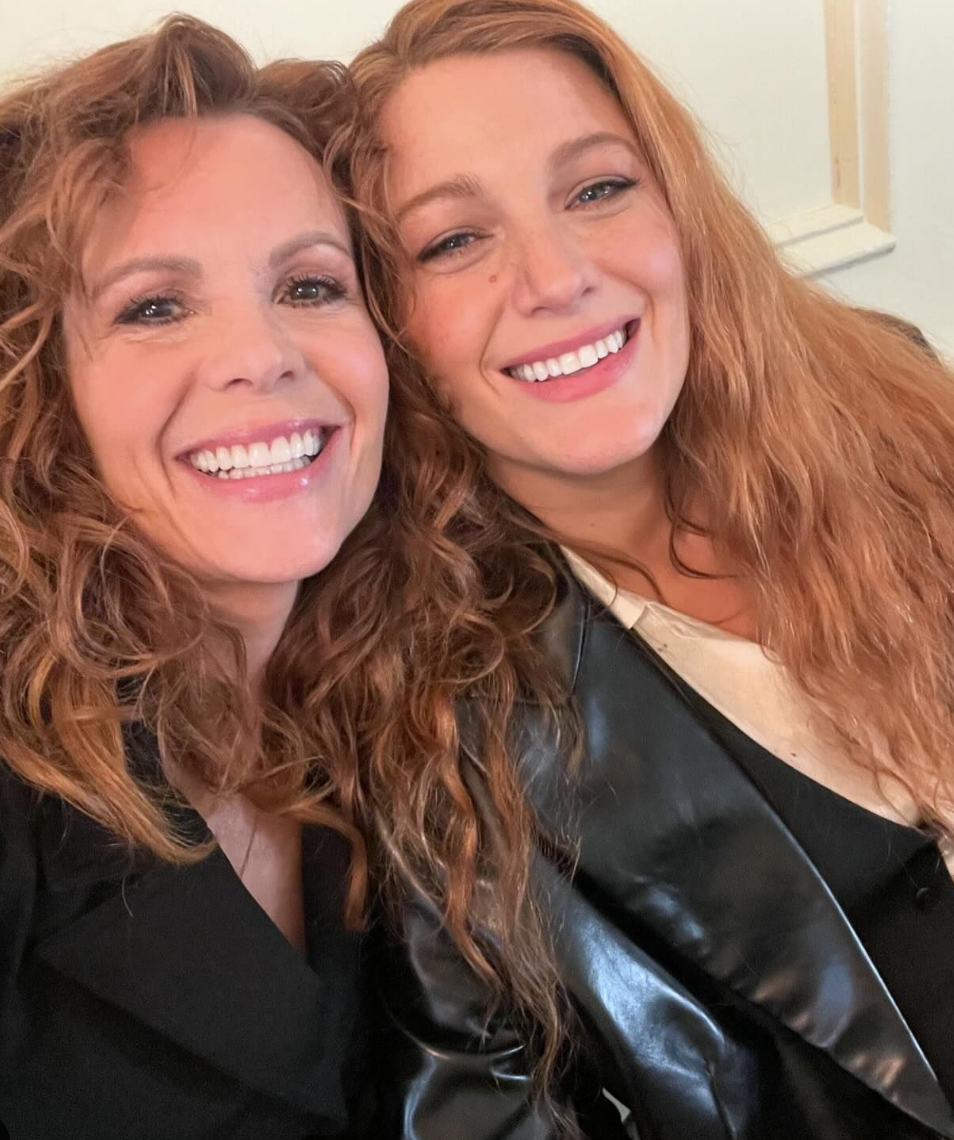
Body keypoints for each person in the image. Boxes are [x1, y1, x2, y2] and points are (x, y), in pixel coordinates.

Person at [338, 0, 954, 1136]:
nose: (557, 275)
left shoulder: (902, 406)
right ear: (384, 319)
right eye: (454, 240)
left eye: (597, 189)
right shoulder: (430, 739)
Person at [0, 17, 391, 1139]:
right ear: (38, 388)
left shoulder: (402, 696)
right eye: (154, 306)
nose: (262, 353)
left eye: (312, 286)